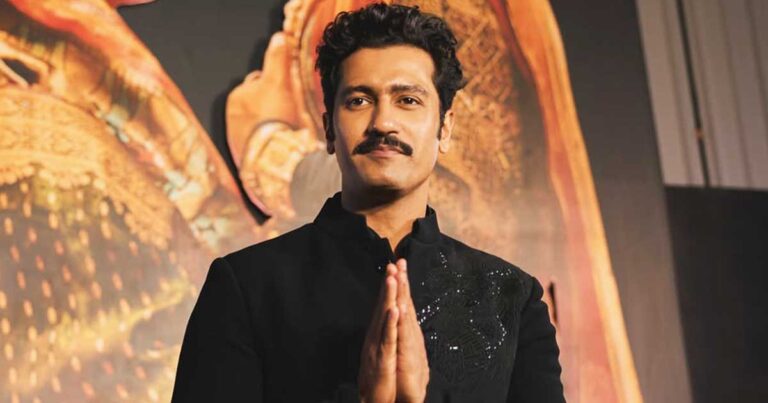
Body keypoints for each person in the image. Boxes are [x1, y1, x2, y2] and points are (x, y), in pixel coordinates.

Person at [171, 3, 565, 402]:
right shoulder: (248, 287)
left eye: (408, 100)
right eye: (359, 101)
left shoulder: (511, 299)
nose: (383, 123)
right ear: (329, 129)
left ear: (444, 129)